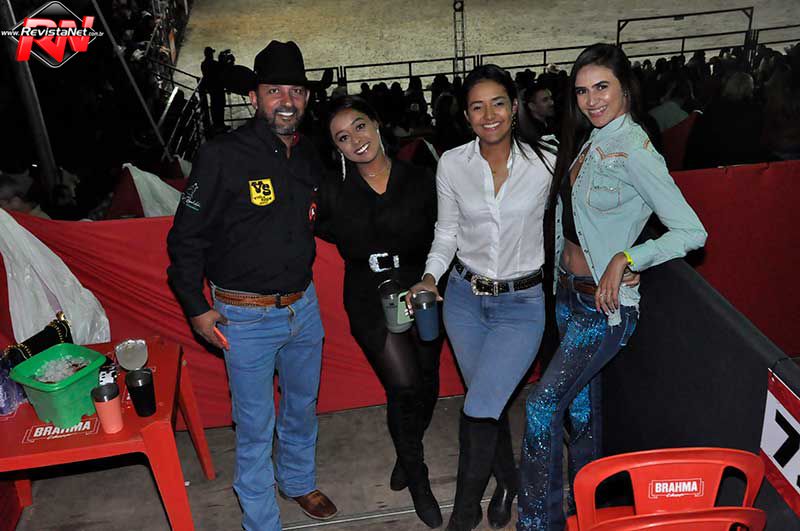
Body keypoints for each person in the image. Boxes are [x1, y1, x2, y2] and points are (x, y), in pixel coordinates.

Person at [517, 43, 708, 531]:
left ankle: (539, 524)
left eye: (602, 87)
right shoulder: (590, 139)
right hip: (568, 293)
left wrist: (628, 258)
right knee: (580, 413)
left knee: (541, 408)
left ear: (625, 88)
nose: (592, 100)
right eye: (582, 91)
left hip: (601, 309)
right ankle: (588, 511)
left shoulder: (636, 150)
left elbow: (692, 231)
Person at [166, 40, 337, 531]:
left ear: (307, 97)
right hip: (244, 316)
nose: (287, 101)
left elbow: (321, 218)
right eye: (274, 90)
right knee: (255, 426)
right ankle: (261, 522)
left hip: (303, 307)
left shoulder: (310, 155)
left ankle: (298, 480)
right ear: (254, 97)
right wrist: (196, 307)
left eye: (296, 91)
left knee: (302, 407)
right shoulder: (222, 155)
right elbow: (185, 238)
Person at [408, 64, 555, 531]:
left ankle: (463, 513)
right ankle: (508, 483)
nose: (488, 115)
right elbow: (446, 232)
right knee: (487, 404)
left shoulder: (547, 161)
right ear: (466, 115)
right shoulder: (453, 163)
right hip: (464, 301)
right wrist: (430, 276)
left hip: (522, 305)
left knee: (479, 408)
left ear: (514, 106)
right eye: (477, 106)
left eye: (497, 103)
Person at [315, 95, 443, 528]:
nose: (355, 140)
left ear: (376, 123)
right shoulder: (331, 190)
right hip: (369, 295)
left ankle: (406, 453)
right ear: (337, 148)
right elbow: (313, 227)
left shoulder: (421, 178)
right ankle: (418, 476)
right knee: (404, 385)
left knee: (428, 381)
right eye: (342, 137)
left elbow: (446, 231)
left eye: (359, 126)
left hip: (421, 287)